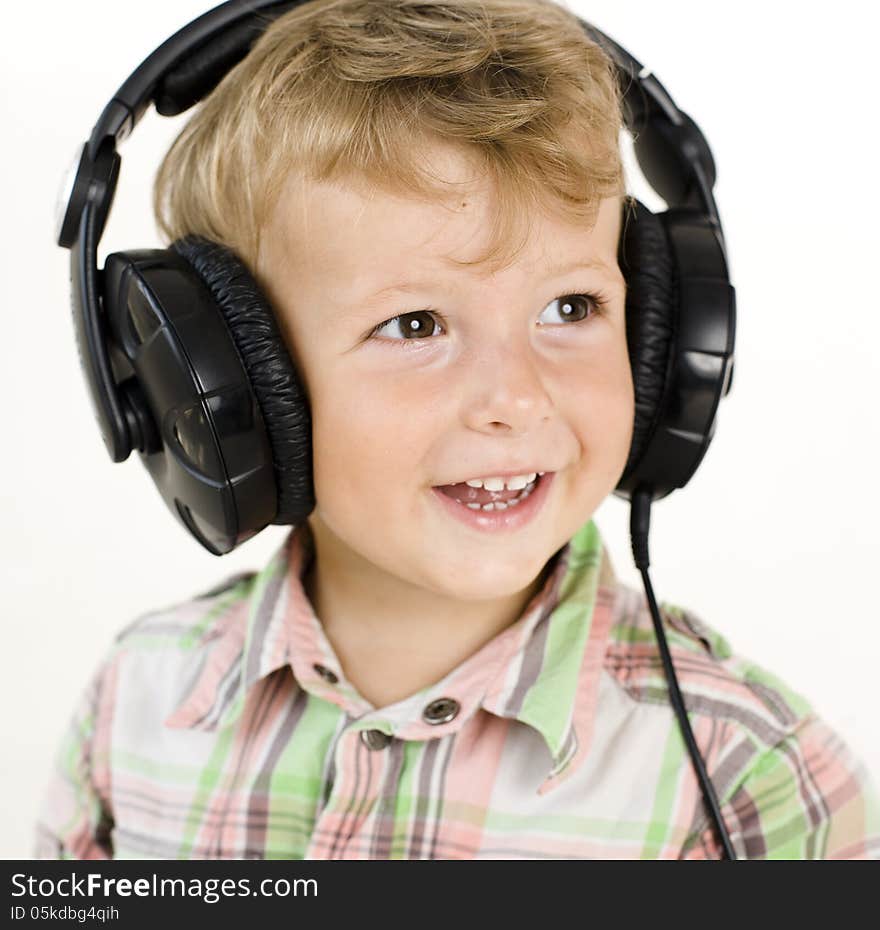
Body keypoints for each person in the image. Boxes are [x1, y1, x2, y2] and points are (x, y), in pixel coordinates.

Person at [36, 0, 880, 859]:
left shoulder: (745, 772)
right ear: (229, 376)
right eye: (414, 325)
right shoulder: (136, 703)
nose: (514, 398)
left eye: (570, 307)